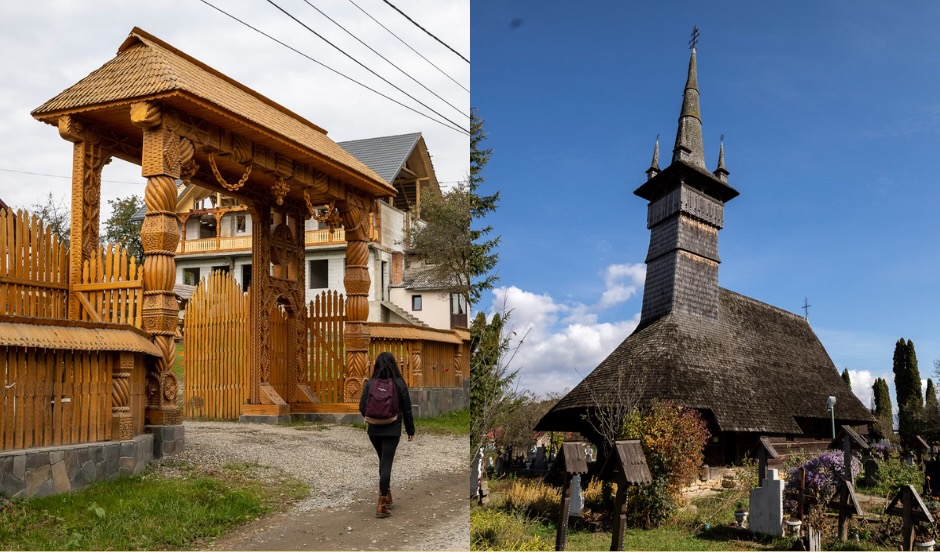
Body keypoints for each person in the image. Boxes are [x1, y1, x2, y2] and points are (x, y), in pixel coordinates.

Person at [359, 352, 415, 518]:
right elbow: (407, 409)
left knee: (383, 461)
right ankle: (381, 503)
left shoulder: (371, 383)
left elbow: (362, 406)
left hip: (374, 430)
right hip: (392, 429)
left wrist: (372, 418)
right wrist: (410, 430)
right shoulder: (399, 383)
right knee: (386, 463)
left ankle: (387, 494)